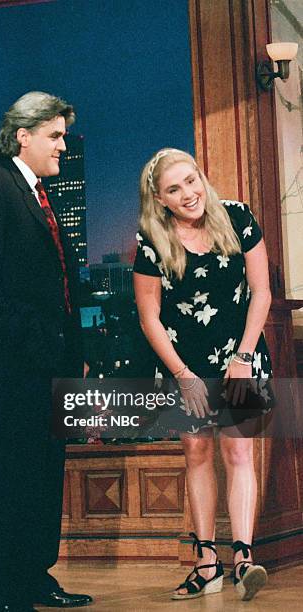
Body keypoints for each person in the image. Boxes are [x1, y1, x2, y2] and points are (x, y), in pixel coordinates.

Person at [0, 92, 92, 612]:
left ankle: (35, 578)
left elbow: (59, 283)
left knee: (44, 471)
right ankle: (5, 596)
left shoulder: (37, 193)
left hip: (52, 362)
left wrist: (72, 354)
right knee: (17, 475)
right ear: (23, 135)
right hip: (17, 365)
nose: (62, 145)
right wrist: (29, 349)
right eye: (55, 136)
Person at [133, 148, 273, 601]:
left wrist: (244, 358)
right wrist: (182, 373)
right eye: (174, 189)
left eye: (191, 181)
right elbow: (149, 316)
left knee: (238, 454)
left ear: (202, 176)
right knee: (196, 452)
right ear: (159, 198)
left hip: (241, 356)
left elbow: (262, 292)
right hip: (183, 365)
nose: (188, 193)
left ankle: (244, 559)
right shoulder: (151, 239)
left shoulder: (238, 217)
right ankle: (206, 561)